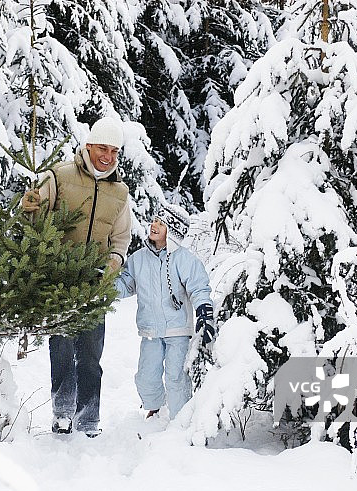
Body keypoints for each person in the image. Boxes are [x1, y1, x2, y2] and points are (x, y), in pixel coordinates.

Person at [20, 116, 132, 437]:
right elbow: (34, 216)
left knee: (91, 353)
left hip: (95, 282)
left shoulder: (119, 192)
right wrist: (29, 207)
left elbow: (121, 236)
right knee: (62, 347)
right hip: (60, 277)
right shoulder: (60, 177)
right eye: (102, 148)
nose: (107, 156)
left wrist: (113, 261)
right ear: (88, 147)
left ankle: (88, 418)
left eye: (114, 151)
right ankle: (62, 412)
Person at [115, 203, 214, 420]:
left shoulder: (183, 258)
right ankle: (155, 409)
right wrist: (105, 284)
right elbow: (126, 285)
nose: (155, 226)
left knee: (175, 377)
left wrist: (204, 311)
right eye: (154, 221)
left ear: (173, 231)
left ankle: (180, 419)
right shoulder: (138, 259)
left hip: (178, 329)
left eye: (162, 223)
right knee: (146, 377)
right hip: (150, 330)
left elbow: (198, 287)